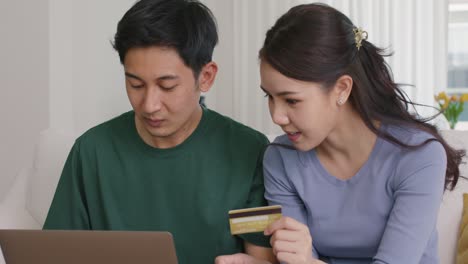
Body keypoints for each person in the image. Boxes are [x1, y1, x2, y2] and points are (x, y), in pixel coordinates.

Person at [43, 0, 276, 263]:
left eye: (166, 86)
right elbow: (56, 254)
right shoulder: (91, 152)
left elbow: (260, 259)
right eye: (135, 84)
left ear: (206, 77)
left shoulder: (249, 152)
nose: (149, 105)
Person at [256, 3, 464, 264]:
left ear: (342, 89)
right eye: (270, 97)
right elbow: (295, 258)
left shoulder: (419, 155)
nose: (276, 116)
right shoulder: (280, 158)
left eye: (292, 100)